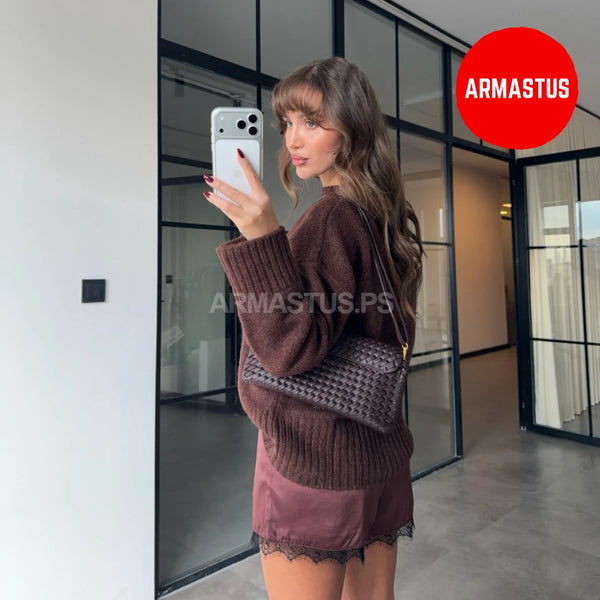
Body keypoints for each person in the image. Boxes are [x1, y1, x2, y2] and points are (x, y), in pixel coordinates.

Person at [203, 57, 424, 600]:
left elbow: (289, 348)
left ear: (352, 127)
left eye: (312, 122)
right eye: (286, 123)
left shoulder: (330, 219)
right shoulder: (381, 215)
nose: (293, 140)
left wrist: (261, 236)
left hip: (317, 459)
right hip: (377, 447)